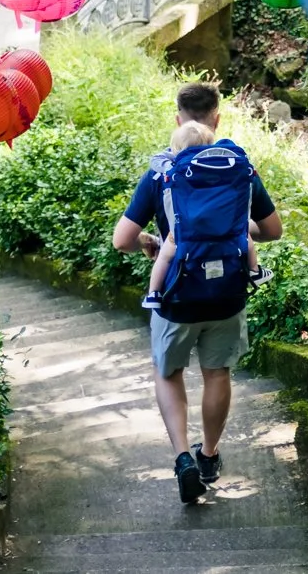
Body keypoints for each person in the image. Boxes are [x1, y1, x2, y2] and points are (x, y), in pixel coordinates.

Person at [112, 84, 282, 503]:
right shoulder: (239, 167)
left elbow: (121, 239)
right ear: (217, 119)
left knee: (168, 373)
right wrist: (235, 231)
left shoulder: (162, 171)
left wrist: (154, 242)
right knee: (217, 373)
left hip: (177, 295)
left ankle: (182, 457)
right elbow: (273, 230)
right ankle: (208, 454)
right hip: (227, 291)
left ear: (177, 119)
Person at [141, 119, 258, 308]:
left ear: (176, 149)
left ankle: (154, 293)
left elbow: (155, 161)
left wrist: (171, 160)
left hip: (185, 234)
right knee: (245, 236)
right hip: (225, 232)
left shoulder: (177, 168)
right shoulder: (225, 171)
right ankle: (255, 271)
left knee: (164, 256)